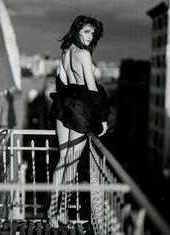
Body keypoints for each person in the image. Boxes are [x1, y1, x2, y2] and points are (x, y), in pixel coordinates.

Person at [47, 15, 110, 228]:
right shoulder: (83, 54)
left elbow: (61, 82)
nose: (89, 36)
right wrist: (102, 119)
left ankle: (51, 211)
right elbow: (92, 89)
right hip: (80, 111)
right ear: (77, 30)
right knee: (71, 164)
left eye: (92, 33)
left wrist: (64, 105)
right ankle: (62, 211)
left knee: (62, 160)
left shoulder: (65, 52)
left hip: (63, 107)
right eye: (86, 32)